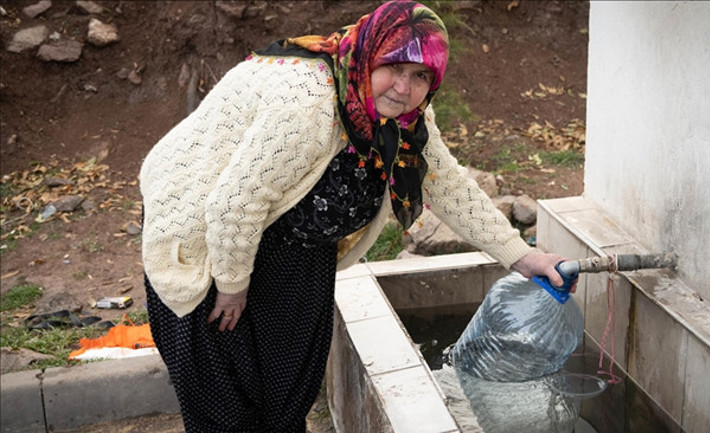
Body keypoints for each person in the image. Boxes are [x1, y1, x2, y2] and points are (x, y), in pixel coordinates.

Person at [140, 1, 574, 431]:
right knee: (226, 406)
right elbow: (234, 202)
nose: (404, 88)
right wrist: (232, 287)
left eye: (420, 75)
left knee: (285, 398)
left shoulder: (407, 118)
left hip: (296, 243)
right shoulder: (307, 101)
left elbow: (447, 184)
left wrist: (521, 256)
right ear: (368, 56)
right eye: (393, 67)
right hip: (205, 232)